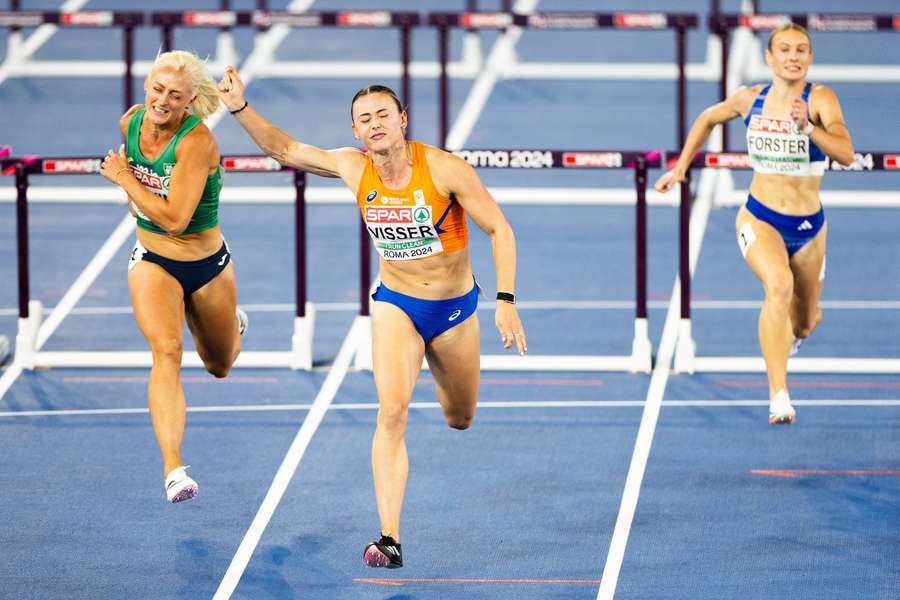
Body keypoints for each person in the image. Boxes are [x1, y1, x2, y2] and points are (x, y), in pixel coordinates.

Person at [217, 69, 526, 567]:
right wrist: (238, 107)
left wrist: (505, 300)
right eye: (365, 118)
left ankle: (451, 401)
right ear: (356, 132)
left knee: (460, 417)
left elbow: (500, 229)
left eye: (384, 113)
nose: (376, 123)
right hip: (395, 305)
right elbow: (286, 149)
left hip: (453, 310)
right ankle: (389, 538)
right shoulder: (352, 167)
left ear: (403, 120)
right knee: (391, 412)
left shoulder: (445, 169)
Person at [655, 24, 854, 424]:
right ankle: (778, 394)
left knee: (806, 321)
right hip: (759, 217)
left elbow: (846, 153)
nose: (793, 56)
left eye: (801, 50)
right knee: (778, 285)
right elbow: (708, 118)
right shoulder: (751, 99)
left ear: (810, 58)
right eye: (784, 49)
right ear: (770, 57)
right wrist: (680, 168)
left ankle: (795, 334)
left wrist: (810, 128)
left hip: (809, 228)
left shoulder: (820, 99)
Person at [99, 50, 247, 503]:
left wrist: (125, 179)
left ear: (188, 102)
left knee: (219, 365)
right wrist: (134, 199)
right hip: (153, 261)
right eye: (158, 89)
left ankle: (233, 323)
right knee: (166, 352)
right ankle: (174, 470)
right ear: (146, 86)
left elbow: (177, 219)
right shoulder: (130, 123)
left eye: (175, 96)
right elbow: (148, 214)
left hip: (206, 264)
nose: (163, 100)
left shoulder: (196, 142)